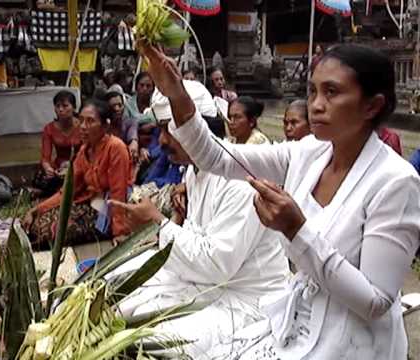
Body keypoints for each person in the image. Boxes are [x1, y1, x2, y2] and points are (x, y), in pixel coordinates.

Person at [138, 42, 420, 359]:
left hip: (352, 340)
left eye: (332, 92)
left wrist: (297, 230)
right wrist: (177, 95)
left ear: (372, 106)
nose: (316, 105)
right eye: (312, 92)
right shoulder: (308, 152)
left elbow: (375, 301)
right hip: (299, 317)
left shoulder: (396, 181)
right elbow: (217, 158)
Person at [109, 79, 290, 359]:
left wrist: (159, 225)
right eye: (160, 130)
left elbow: (217, 265)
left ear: (198, 130)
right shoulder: (194, 172)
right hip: (202, 283)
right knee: (113, 299)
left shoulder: (242, 180)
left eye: (170, 131)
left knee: (151, 343)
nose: (163, 141)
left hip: (244, 300)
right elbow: (197, 242)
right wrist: (167, 225)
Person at [23, 100, 132, 246]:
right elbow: (68, 190)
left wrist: (120, 232)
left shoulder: (116, 148)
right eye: (81, 121)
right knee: (35, 221)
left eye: (90, 121)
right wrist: (36, 210)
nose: (83, 127)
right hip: (89, 202)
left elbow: (118, 193)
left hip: (107, 210)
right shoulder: (84, 151)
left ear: (105, 125)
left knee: (50, 232)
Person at [32, 90, 81, 198]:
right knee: (40, 178)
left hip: (79, 166)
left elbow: (88, 152)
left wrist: (73, 167)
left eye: (65, 106)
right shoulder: (49, 129)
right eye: (57, 106)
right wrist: (48, 168)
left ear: (74, 107)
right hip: (58, 168)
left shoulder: (82, 127)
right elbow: (45, 158)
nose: (60, 109)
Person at [105, 91, 139, 163]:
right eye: (113, 106)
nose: (117, 109)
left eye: (120, 105)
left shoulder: (130, 123)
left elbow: (133, 139)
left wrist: (133, 143)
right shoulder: (102, 126)